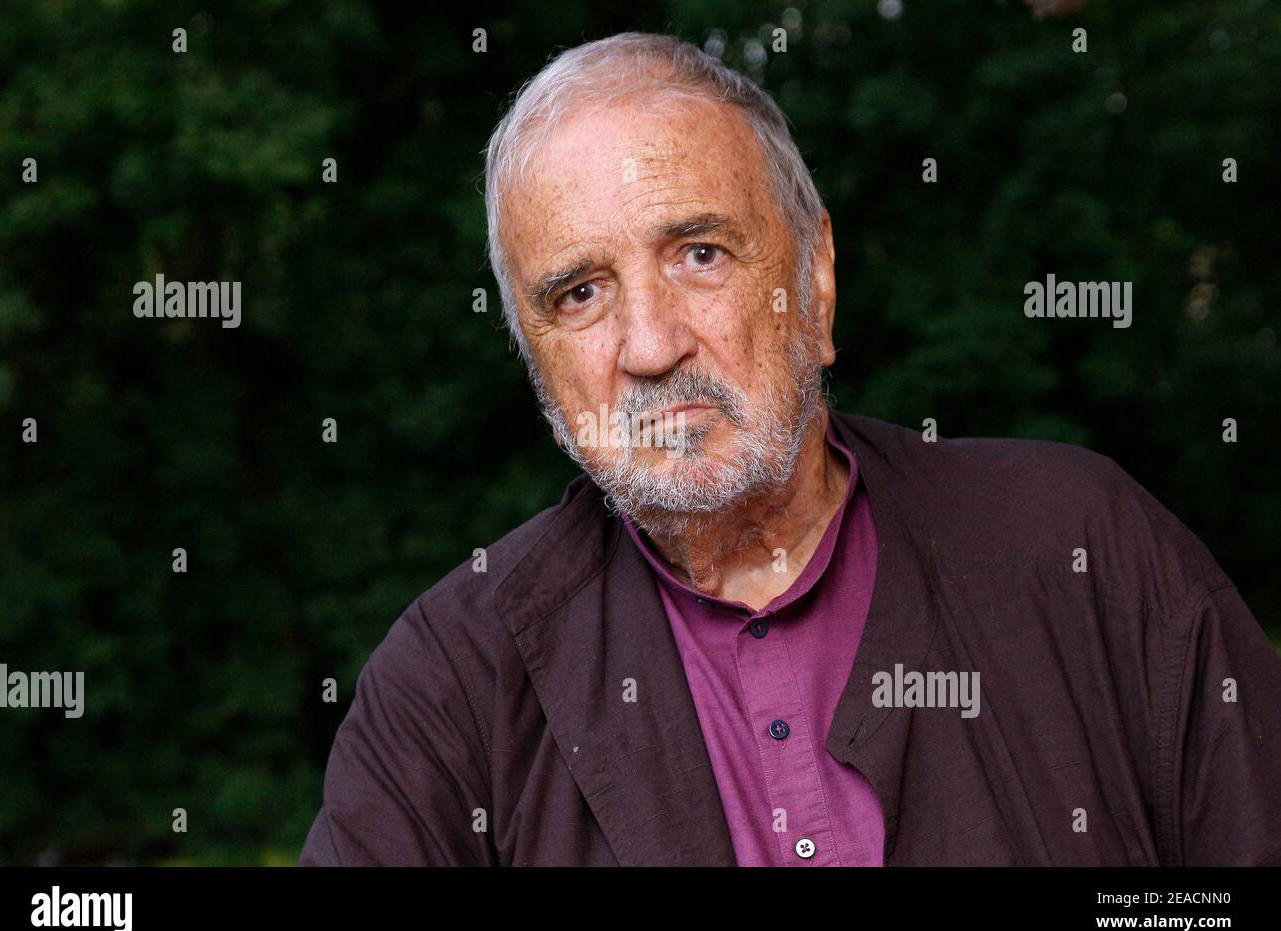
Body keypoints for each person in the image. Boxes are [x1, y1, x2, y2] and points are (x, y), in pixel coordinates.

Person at [299, 32, 1280, 866]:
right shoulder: (449, 685)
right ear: (533, 356)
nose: (649, 346)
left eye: (699, 254)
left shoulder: (1077, 545)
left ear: (815, 284)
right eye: (579, 293)